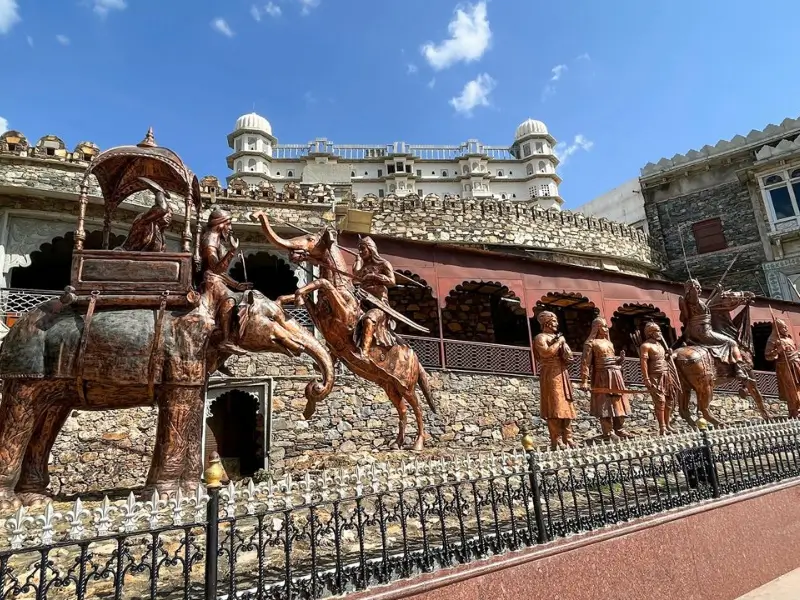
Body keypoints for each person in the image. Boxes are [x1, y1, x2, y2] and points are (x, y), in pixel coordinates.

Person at [679, 278, 753, 386]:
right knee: (732, 342)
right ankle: (739, 368)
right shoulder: (694, 301)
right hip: (704, 333)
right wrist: (693, 286)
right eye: (697, 288)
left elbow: (707, 306)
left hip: (691, 333)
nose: (699, 290)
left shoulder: (691, 304)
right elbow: (696, 300)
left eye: (699, 288)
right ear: (691, 290)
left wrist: (718, 294)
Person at [200, 207, 250, 356]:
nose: (230, 228)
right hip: (211, 281)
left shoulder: (217, 241)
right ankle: (225, 340)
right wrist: (232, 251)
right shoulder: (209, 239)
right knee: (230, 300)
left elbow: (221, 272)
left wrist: (236, 285)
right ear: (220, 224)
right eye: (228, 224)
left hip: (217, 279)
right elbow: (215, 268)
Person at [580, 317, 632, 440]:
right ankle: (607, 432)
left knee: (618, 402)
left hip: (615, 375)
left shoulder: (609, 343)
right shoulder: (591, 343)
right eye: (603, 326)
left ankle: (619, 429)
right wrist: (584, 381)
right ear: (597, 328)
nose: (606, 328)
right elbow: (585, 363)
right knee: (605, 404)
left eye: (606, 326)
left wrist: (619, 360)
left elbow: (612, 359)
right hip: (601, 376)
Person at [533, 311, 576, 450]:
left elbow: (570, 358)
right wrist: (559, 342)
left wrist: (564, 347)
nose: (557, 324)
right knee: (554, 406)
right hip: (550, 373)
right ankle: (556, 439)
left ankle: (568, 438)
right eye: (554, 321)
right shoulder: (540, 337)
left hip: (562, 372)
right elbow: (546, 353)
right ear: (547, 323)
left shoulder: (558, 338)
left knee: (566, 406)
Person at [352, 236, 396, 357]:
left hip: (378, 304)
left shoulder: (383, 264)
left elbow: (392, 281)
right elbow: (355, 279)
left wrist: (374, 276)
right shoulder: (363, 267)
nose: (360, 252)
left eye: (362, 249)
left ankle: (364, 353)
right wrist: (358, 261)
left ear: (370, 249)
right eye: (359, 250)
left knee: (369, 319)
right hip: (363, 302)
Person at [639, 322, 681, 435]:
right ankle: (662, 427)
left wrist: (668, 355)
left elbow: (663, 359)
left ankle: (667, 425)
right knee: (660, 402)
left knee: (669, 401)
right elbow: (644, 363)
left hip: (666, 375)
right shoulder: (645, 346)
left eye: (659, 331)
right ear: (650, 333)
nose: (659, 333)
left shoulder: (660, 345)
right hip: (655, 376)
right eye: (657, 331)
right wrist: (646, 379)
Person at [118, 177, 173, 252]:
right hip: (128, 257)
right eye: (167, 213)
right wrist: (158, 192)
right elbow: (162, 208)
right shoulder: (144, 222)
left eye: (171, 214)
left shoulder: (161, 234)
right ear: (155, 212)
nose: (169, 216)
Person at [764, 318, 800, 419]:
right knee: (791, 389)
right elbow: (768, 356)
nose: (786, 328)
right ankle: (794, 410)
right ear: (777, 328)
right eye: (783, 327)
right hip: (785, 366)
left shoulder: (789, 338)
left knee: (798, 386)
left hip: (796, 363)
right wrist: (777, 351)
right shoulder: (773, 340)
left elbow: (794, 350)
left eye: (786, 326)